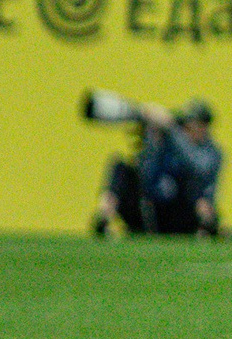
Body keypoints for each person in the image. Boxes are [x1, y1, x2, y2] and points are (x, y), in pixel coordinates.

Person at [90, 95, 222, 236]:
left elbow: (199, 167)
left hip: (180, 215)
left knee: (195, 188)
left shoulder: (212, 152)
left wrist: (170, 127)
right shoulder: (169, 144)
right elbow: (146, 174)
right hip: (150, 209)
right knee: (121, 169)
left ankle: (206, 229)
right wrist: (152, 135)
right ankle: (104, 217)